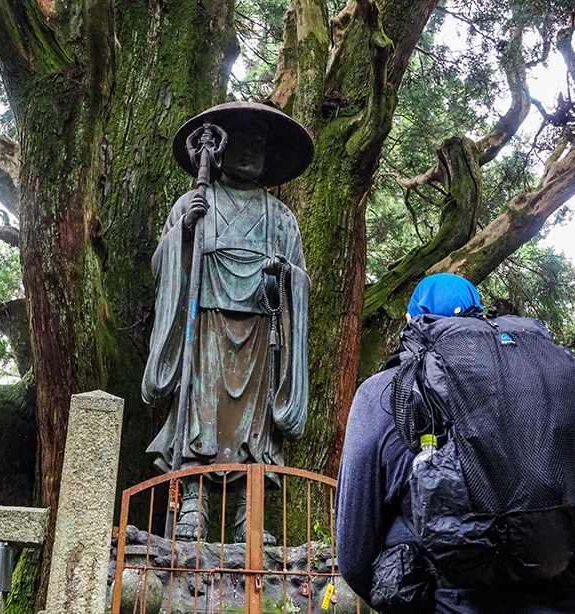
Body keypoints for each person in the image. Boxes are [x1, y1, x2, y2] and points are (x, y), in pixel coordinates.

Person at [336, 273, 575, 612]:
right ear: (481, 316)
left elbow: (354, 553)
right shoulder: (548, 382)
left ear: (410, 320)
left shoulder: (383, 392)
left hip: (446, 601)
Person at [141, 102, 312, 541]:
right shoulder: (194, 200)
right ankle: (191, 511)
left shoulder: (281, 217)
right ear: (218, 149)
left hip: (260, 332)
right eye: (240, 142)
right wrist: (184, 229)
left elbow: (299, 279)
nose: (250, 152)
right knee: (202, 418)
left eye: (259, 144)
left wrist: (283, 277)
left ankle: (248, 520)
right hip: (205, 326)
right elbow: (163, 268)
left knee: (255, 431)